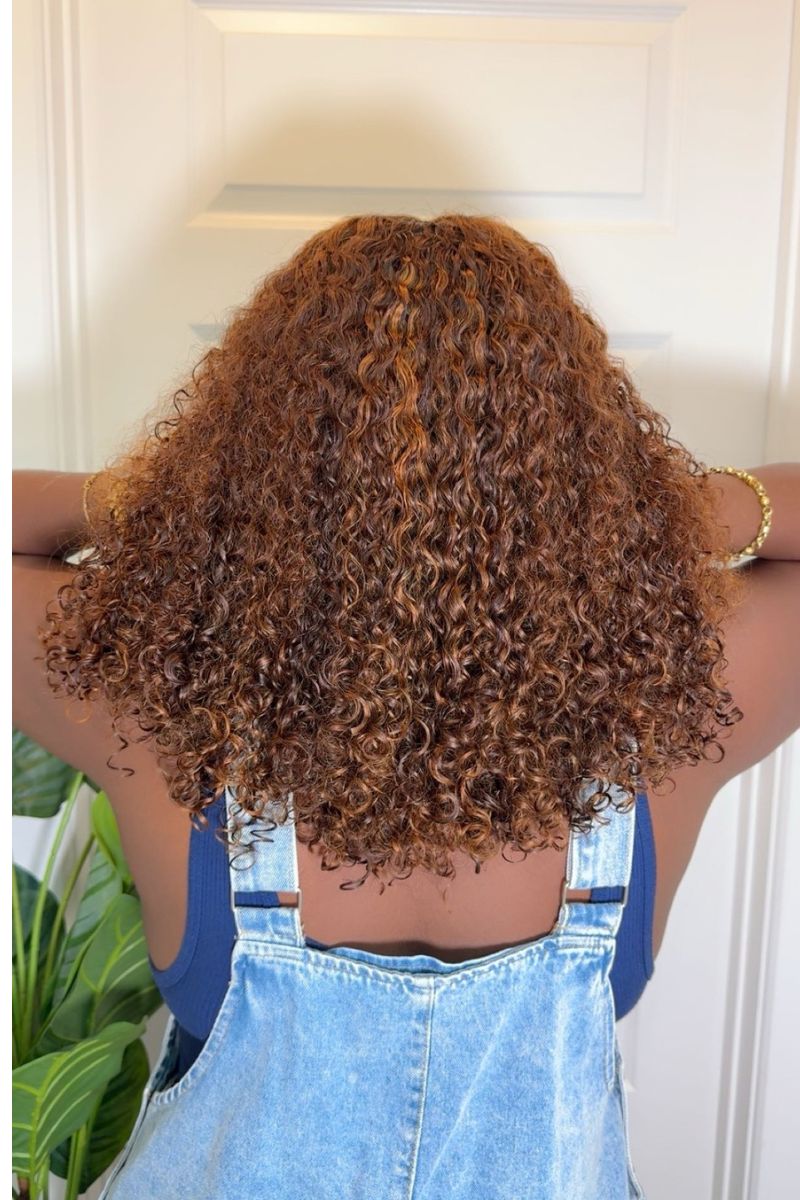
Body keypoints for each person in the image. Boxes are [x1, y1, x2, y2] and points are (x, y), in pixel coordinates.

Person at [12, 213, 799, 1199]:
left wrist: (188, 498)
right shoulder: (690, 685)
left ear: (263, 439)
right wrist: (653, 506)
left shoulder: (146, 698)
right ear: (570, 447)